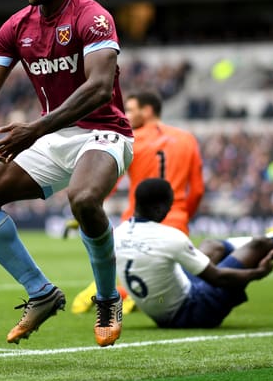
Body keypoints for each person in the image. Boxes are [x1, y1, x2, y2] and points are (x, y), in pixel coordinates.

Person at [0, 0, 134, 347]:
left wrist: (34, 130)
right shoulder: (16, 26)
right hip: (54, 134)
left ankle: (108, 298)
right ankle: (40, 292)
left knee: (84, 199)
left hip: (105, 132)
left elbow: (99, 89)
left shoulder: (93, 18)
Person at [116, 178, 273, 328]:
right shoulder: (169, 237)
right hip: (192, 310)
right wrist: (257, 273)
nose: (170, 210)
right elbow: (218, 279)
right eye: (169, 206)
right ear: (160, 207)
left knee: (212, 245)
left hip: (163, 308)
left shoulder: (118, 232)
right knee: (258, 246)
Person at [71, 87, 205, 313]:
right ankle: (131, 297)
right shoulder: (187, 139)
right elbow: (198, 189)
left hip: (136, 221)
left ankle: (109, 293)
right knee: (174, 277)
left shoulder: (131, 140)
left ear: (148, 110)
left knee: (127, 268)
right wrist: (181, 214)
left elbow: (109, 183)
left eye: (131, 111)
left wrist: (87, 210)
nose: (126, 116)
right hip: (176, 219)